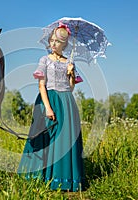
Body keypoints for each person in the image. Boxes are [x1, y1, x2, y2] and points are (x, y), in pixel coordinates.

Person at [17, 23, 85, 192]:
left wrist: (71, 73)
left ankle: (63, 179)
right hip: (48, 99)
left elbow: (71, 88)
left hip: (67, 102)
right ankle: (38, 175)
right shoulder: (45, 60)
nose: (53, 44)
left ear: (65, 44)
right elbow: (41, 86)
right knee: (45, 137)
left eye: (57, 41)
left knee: (65, 139)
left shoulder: (69, 62)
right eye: (52, 40)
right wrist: (48, 108)